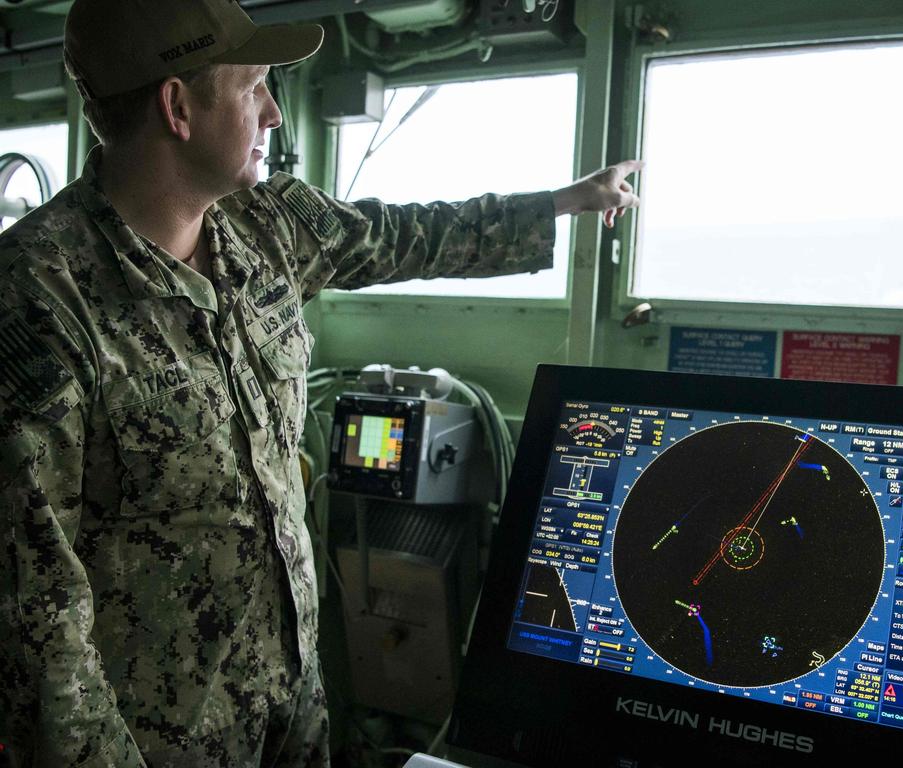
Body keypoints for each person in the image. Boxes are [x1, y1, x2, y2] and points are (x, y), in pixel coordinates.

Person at [0, 1, 640, 766]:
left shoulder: (265, 227)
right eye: (254, 89)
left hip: (292, 703)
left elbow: (404, 234)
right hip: (155, 738)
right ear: (177, 107)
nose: (273, 112)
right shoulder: (37, 297)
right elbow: (36, 619)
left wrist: (564, 202)